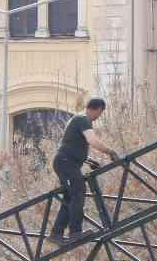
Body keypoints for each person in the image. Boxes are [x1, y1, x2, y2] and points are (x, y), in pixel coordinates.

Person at [51, 98, 120, 243]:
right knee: (78, 192)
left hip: (66, 162)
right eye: (100, 114)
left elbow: (73, 145)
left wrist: (89, 160)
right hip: (66, 163)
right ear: (97, 109)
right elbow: (92, 140)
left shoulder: (78, 119)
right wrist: (110, 151)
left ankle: (56, 233)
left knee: (70, 196)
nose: (98, 118)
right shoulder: (83, 119)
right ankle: (75, 231)